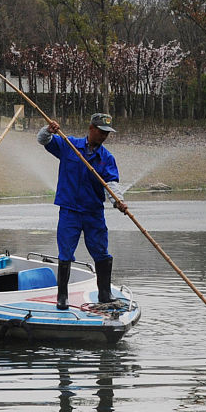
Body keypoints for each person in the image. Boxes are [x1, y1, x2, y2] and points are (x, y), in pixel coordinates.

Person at [37, 113, 128, 309]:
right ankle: (62, 297)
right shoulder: (69, 145)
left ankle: (104, 293)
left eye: (107, 133)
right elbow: (43, 140)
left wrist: (118, 201)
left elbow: (111, 184)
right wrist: (48, 130)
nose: (104, 136)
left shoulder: (106, 158)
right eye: (102, 132)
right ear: (91, 128)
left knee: (101, 251)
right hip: (69, 210)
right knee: (65, 252)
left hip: (93, 212)